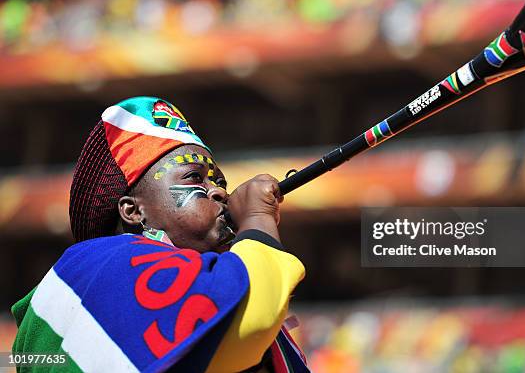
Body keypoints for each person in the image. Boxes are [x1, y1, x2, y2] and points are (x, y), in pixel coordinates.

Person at [11, 97, 309, 372]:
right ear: (133, 211)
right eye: (195, 177)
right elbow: (250, 322)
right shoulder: (100, 264)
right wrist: (257, 219)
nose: (220, 192)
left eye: (219, 181)